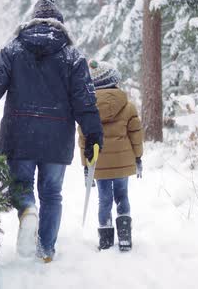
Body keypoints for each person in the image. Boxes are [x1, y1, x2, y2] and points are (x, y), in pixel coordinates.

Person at [0, 0, 103, 262]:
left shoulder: (13, 49)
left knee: (21, 184)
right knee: (51, 193)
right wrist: (94, 134)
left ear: (32, 20)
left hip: (20, 132)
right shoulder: (73, 56)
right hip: (57, 138)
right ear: (60, 24)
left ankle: (27, 210)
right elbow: (85, 100)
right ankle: (46, 250)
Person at [77, 60, 143, 252]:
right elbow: (136, 136)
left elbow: (83, 140)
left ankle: (105, 240)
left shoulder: (87, 109)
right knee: (122, 196)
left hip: (100, 163)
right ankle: (124, 238)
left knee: (104, 199)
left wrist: (86, 166)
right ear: (113, 81)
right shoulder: (128, 107)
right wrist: (138, 157)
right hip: (123, 162)